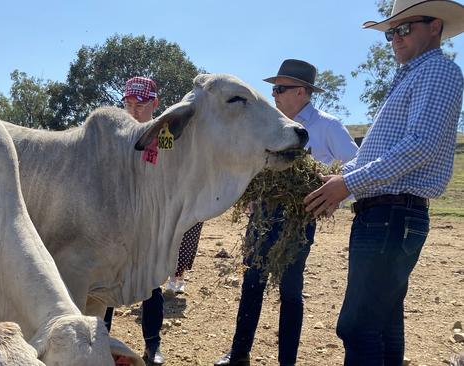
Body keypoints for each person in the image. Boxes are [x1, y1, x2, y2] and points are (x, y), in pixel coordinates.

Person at [304, 1, 464, 364]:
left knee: (358, 327)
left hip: (391, 215)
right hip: (388, 215)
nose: (395, 39)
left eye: (404, 29)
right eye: (391, 32)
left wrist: (347, 184)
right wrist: (340, 179)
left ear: (435, 26)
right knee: (383, 324)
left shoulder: (438, 71)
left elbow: (420, 144)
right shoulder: (412, 74)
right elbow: (381, 150)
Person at [214, 59, 358, 366]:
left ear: (302, 93)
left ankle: (287, 361)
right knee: (252, 282)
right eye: (274, 89)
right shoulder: (270, 124)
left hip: (298, 220)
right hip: (262, 216)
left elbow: (356, 166)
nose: (275, 94)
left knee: (291, 290)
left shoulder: (327, 126)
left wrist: (333, 199)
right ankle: (239, 355)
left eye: (282, 89)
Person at [102, 76, 205, 365]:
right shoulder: (117, 134)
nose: (134, 110)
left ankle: (152, 347)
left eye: (141, 104)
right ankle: (101, 341)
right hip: (119, 222)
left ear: (155, 104)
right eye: (129, 103)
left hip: (151, 223)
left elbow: (172, 176)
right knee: (107, 284)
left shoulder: (166, 136)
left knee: (151, 287)